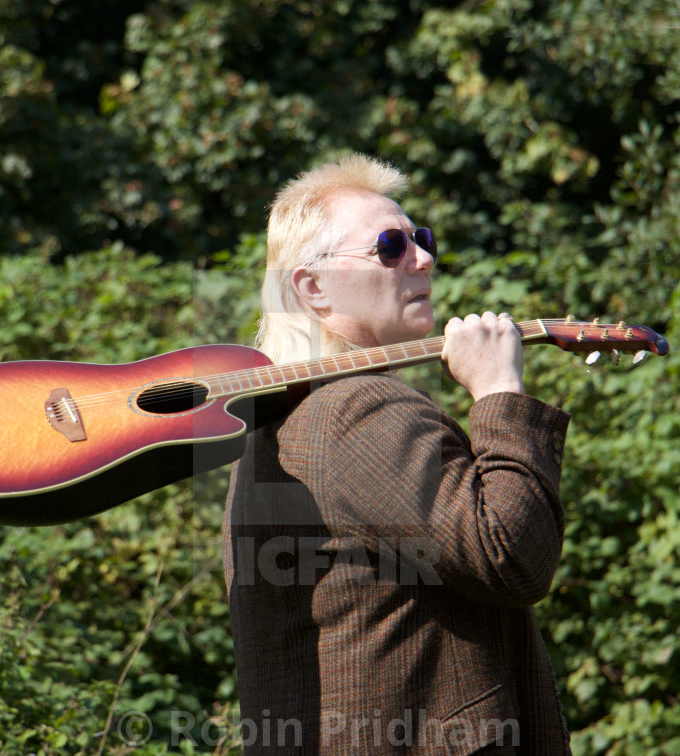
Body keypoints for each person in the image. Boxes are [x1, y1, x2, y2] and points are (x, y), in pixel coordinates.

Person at [223, 154, 571, 755]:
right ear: (313, 287)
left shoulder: (286, 422)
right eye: (390, 246)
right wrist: (498, 392)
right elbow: (512, 554)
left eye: (422, 239)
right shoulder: (356, 411)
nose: (425, 259)